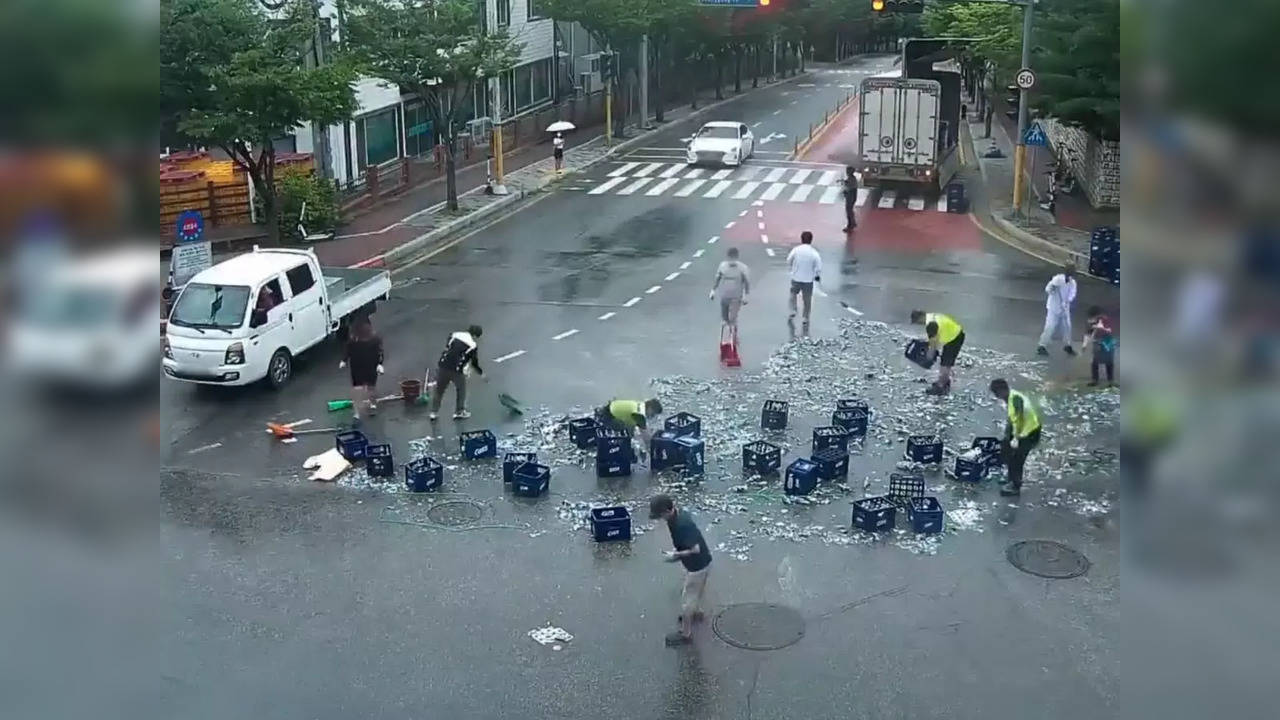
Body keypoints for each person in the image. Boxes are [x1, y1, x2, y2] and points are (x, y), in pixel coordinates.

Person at [650, 494, 712, 646]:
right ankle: (695, 613)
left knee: (687, 601)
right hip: (702, 563)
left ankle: (686, 634)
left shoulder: (682, 525)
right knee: (695, 593)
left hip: (697, 566)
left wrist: (675, 555)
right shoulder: (676, 517)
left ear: (667, 511)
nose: (660, 519)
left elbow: (695, 549)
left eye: (660, 515)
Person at [989, 378, 1042, 496]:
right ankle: (1011, 478)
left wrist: (1016, 438)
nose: (997, 397)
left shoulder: (1016, 400)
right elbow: (1012, 419)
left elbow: (1019, 420)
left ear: (1003, 391)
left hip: (1029, 432)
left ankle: (1015, 485)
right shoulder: (1010, 398)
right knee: (1007, 450)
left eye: (997, 394)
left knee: (1017, 459)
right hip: (1021, 430)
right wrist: (1007, 436)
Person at [429, 324, 484, 421]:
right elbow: (474, 363)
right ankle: (459, 411)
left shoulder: (454, 335)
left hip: (443, 366)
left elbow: (449, 348)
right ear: (475, 335)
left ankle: (434, 412)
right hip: (456, 371)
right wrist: (481, 373)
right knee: (461, 390)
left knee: (439, 390)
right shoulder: (472, 345)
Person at [910, 310, 965, 395]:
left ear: (920, 318)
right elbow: (937, 335)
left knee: (945, 363)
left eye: (917, 322)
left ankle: (941, 387)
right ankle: (944, 381)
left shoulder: (931, 325)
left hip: (954, 338)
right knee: (946, 361)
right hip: (955, 334)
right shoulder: (932, 316)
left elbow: (933, 342)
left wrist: (929, 356)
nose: (919, 324)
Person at [339, 318, 384, 421]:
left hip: (370, 365)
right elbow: (348, 349)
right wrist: (344, 360)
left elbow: (380, 352)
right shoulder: (354, 339)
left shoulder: (374, 339)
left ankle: (372, 404)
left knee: (370, 387)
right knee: (358, 389)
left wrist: (380, 364)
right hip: (357, 366)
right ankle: (357, 412)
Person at [595, 398, 663, 462]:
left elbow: (636, 423)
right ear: (650, 409)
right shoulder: (640, 415)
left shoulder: (640, 405)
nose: (652, 416)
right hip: (608, 416)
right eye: (653, 413)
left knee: (630, 427)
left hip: (610, 407)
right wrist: (652, 450)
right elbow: (646, 437)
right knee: (625, 431)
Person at [1037, 263, 1077, 356]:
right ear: (1066, 270)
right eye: (1070, 270)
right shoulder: (1057, 279)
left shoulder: (1072, 283)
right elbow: (1048, 289)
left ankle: (1067, 345)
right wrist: (1053, 288)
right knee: (1050, 326)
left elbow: (1072, 294)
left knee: (1067, 327)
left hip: (1065, 308)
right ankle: (1041, 346)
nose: (1071, 273)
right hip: (1053, 308)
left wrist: (1067, 301)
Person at [786, 230, 822, 333]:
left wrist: (792, 269)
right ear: (811, 240)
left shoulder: (796, 250)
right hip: (808, 280)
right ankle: (805, 317)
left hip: (796, 277)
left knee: (793, 293)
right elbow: (818, 266)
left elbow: (789, 260)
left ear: (801, 239)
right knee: (807, 300)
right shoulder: (814, 252)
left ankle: (793, 310)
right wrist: (817, 275)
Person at [710, 247, 750, 335]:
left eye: (734, 257)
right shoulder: (722, 266)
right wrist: (713, 291)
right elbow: (717, 278)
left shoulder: (743, 268)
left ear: (737, 257)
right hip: (724, 297)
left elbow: (746, 283)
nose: (732, 260)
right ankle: (726, 331)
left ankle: (733, 335)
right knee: (725, 319)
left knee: (732, 318)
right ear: (728, 257)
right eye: (730, 258)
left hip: (736, 297)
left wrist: (745, 296)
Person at [1083, 305, 1116, 386]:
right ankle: (1095, 380)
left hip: (1107, 343)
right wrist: (1084, 345)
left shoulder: (1104, 320)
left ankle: (1110, 380)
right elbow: (1088, 333)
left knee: (1109, 362)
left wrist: (1101, 328)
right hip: (1098, 343)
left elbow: (1109, 331)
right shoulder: (1091, 322)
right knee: (1095, 362)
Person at [841, 167, 858, 232]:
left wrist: (845, 191)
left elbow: (849, 188)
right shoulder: (852, 178)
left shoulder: (851, 179)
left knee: (849, 211)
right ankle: (853, 223)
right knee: (850, 210)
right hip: (851, 196)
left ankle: (850, 225)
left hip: (850, 197)